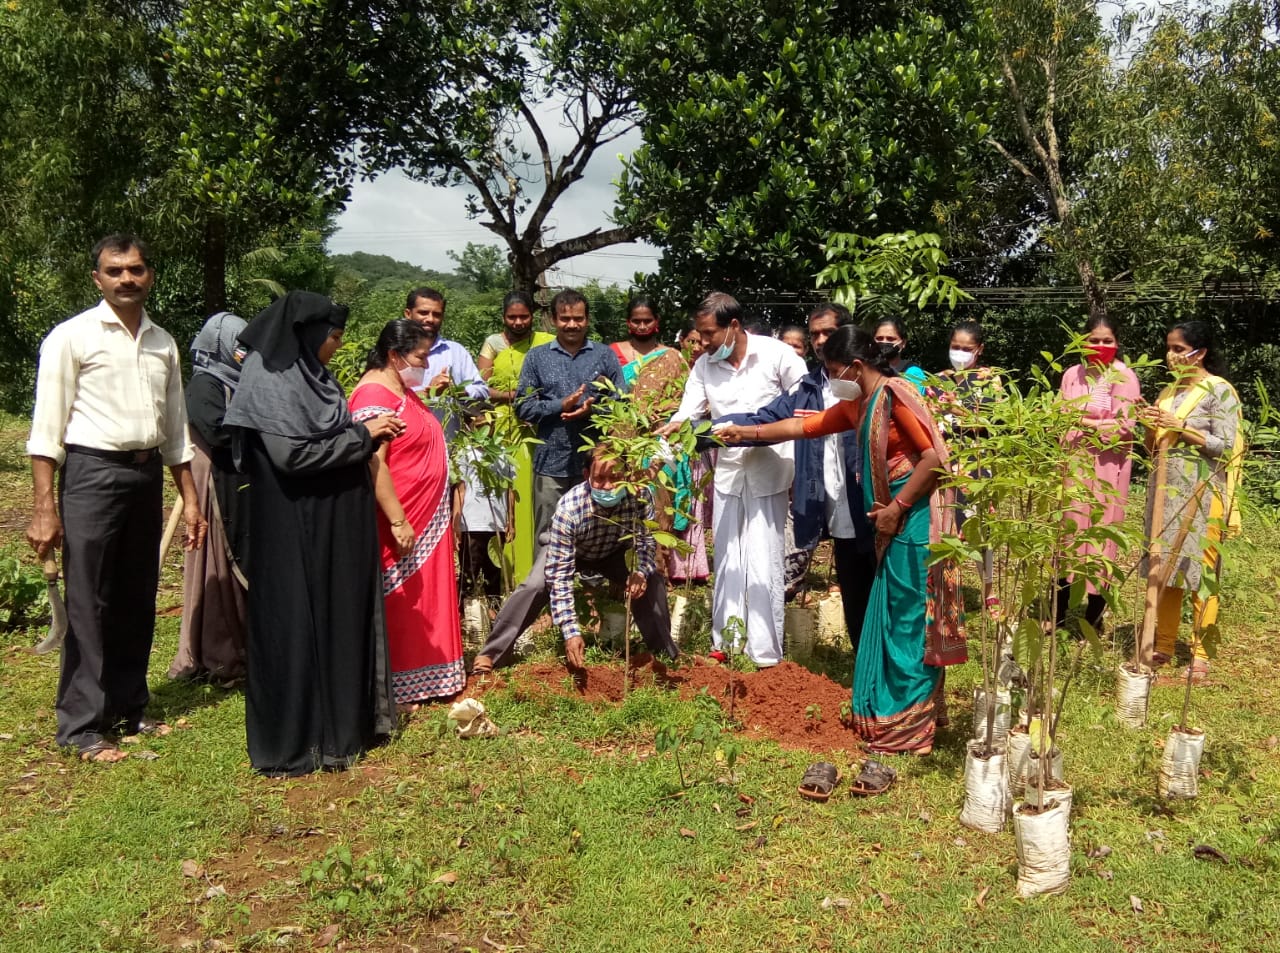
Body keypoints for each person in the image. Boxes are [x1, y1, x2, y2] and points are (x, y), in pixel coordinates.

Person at [717, 326, 966, 762]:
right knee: (893, 614)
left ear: (855, 365)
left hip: (917, 519)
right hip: (893, 520)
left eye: (833, 371)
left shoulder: (894, 395)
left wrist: (899, 506)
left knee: (910, 617)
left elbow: (933, 457)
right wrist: (746, 433)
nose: (830, 380)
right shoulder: (858, 405)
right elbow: (804, 425)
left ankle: (908, 726)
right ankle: (896, 712)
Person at [26, 233, 205, 763]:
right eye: (115, 270)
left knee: (135, 594)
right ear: (97, 278)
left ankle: (130, 708)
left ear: (150, 275)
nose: (127, 279)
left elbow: (176, 430)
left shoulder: (162, 342)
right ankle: (82, 725)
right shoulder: (72, 337)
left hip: (146, 475)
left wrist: (190, 499)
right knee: (89, 600)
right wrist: (43, 507)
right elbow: (45, 428)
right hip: (91, 474)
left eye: (136, 269)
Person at [224, 291, 403, 776]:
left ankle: (339, 731)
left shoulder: (311, 375)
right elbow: (292, 456)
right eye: (334, 336)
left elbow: (323, 437)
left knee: (332, 618)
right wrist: (365, 437)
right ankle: (300, 742)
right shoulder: (272, 380)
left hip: (328, 524)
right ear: (306, 333)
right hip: (293, 528)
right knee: (298, 624)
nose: (337, 346)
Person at [714, 302, 877, 650]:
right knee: (855, 594)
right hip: (831, 509)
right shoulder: (806, 388)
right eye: (814, 334)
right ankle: (863, 674)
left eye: (828, 333)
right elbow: (769, 419)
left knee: (885, 593)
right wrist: (713, 430)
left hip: (874, 508)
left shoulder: (875, 388)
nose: (819, 341)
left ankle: (893, 680)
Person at [660, 293, 808, 667]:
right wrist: (672, 431)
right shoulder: (704, 367)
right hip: (727, 473)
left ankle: (765, 652)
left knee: (764, 558)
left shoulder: (776, 355)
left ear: (734, 327)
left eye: (709, 334)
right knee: (727, 557)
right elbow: (687, 414)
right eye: (700, 335)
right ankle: (726, 642)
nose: (704, 343)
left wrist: (766, 431)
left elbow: (805, 400)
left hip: (770, 470)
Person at [471, 450, 679, 674]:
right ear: (586, 475)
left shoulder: (639, 496)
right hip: (570, 551)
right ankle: (491, 655)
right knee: (534, 586)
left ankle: (663, 654)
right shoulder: (570, 507)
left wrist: (640, 572)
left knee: (652, 580)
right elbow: (559, 575)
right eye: (599, 479)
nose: (608, 486)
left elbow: (646, 542)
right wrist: (571, 632)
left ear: (627, 476)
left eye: (615, 478)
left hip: (614, 553)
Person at [350, 319, 466, 711]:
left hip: (425, 516)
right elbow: (373, 462)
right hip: (399, 520)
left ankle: (427, 677)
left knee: (421, 599)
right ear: (394, 355)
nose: (425, 364)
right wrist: (398, 519)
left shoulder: (402, 389)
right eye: (419, 357)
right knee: (401, 599)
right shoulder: (374, 395)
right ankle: (395, 687)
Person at [1137, 320, 1243, 680]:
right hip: (1165, 491)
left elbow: (1224, 445)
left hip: (1203, 490)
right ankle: (1164, 644)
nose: (1172, 356)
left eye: (1179, 349)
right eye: (1169, 348)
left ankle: (1200, 653)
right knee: (1165, 567)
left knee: (1201, 570)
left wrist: (1181, 427)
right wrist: (1151, 422)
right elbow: (1151, 447)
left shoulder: (1219, 391)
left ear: (1201, 352)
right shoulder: (1168, 392)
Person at [170, 311, 250, 683]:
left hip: (231, 477)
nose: (241, 354)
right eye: (236, 346)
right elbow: (218, 433)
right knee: (215, 560)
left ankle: (238, 645)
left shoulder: (237, 381)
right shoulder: (205, 384)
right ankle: (218, 654)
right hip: (211, 481)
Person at [515, 288, 625, 542]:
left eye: (578, 318)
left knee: (596, 531)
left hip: (596, 465)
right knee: (548, 535)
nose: (572, 325)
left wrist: (592, 410)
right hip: (550, 462)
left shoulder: (604, 355)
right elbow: (523, 405)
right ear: (553, 320)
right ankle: (549, 583)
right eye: (565, 319)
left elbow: (622, 401)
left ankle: (591, 583)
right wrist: (560, 406)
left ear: (587, 319)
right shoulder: (537, 357)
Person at [1054, 315, 1140, 635]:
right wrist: (1091, 422)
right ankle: (1061, 614)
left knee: (1102, 537)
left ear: (1117, 344)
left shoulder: (1124, 376)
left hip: (1108, 468)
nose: (1100, 346)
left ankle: (1093, 618)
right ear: (1082, 341)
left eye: (1107, 341)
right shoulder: (1072, 375)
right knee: (1068, 536)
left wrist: (1083, 422)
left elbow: (1123, 426)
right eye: (1094, 340)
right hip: (1074, 464)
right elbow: (1060, 418)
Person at [933, 320, 1005, 611]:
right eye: (955, 347)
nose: (959, 353)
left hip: (978, 464)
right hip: (945, 465)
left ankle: (989, 590)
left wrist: (956, 410)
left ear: (980, 350)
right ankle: (949, 591)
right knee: (946, 529)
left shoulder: (990, 380)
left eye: (967, 348)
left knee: (980, 532)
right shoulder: (938, 380)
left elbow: (993, 422)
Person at [488, 291, 557, 585]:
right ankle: (509, 578)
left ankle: (541, 577)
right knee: (509, 499)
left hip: (539, 429)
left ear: (532, 315)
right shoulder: (494, 345)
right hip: (507, 431)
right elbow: (481, 388)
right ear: (503, 317)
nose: (518, 322)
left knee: (538, 499)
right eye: (512, 317)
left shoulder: (547, 343)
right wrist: (516, 396)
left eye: (524, 316)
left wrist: (535, 404)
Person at [403, 287, 488, 432]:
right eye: (423, 313)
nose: (430, 319)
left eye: (436, 314)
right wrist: (428, 392)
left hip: (449, 444)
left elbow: (482, 390)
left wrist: (455, 391)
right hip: (405, 442)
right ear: (408, 314)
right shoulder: (394, 351)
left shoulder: (455, 351)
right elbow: (385, 398)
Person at [455, 409, 515, 604]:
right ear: (470, 428)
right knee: (469, 573)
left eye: (489, 425)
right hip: (471, 523)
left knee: (494, 574)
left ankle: (494, 613)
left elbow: (509, 490)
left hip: (495, 524)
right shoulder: (465, 454)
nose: (486, 429)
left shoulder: (504, 455)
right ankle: (465, 615)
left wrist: (510, 521)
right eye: (480, 426)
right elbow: (460, 490)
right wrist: (456, 523)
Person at [873, 317, 928, 393]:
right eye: (879, 338)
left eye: (890, 339)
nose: (884, 342)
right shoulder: (867, 369)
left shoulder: (913, 373)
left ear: (903, 343)